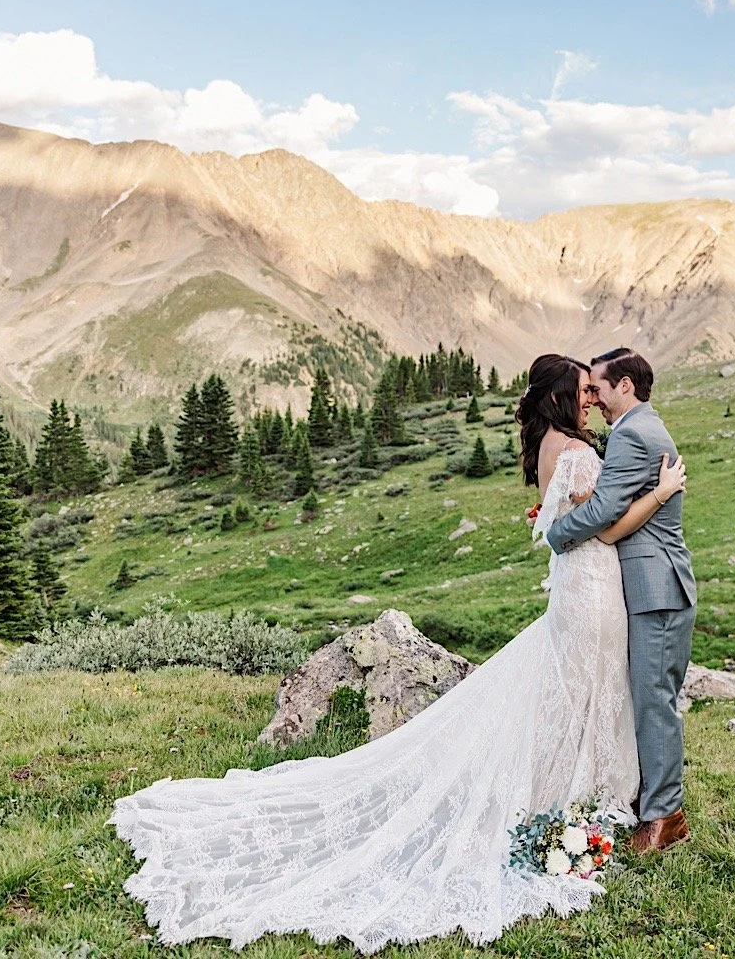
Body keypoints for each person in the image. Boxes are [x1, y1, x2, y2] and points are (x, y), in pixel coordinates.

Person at [109, 352, 686, 953]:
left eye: (596, 387)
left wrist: (558, 511)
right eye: (583, 388)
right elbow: (601, 523)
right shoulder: (574, 450)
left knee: (578, 685)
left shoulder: (553, 444)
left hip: (583, 585)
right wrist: (660, 492)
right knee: (581, 684)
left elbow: (566, 513)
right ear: (566, 396)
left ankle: (577, 792)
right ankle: (574, 796)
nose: (591, 394)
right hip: (590, 584)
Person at [544, 347, 697, 853]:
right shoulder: (639, 429)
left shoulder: (633, 432)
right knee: (647, 697)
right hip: (647, 584)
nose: (598, 401)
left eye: (602, 389)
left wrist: (555, 531)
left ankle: (664, 818)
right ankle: (648, 802)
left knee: (655, 701)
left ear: (625, 386)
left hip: (657, 587)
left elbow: (608, 509)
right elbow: (612, 502)